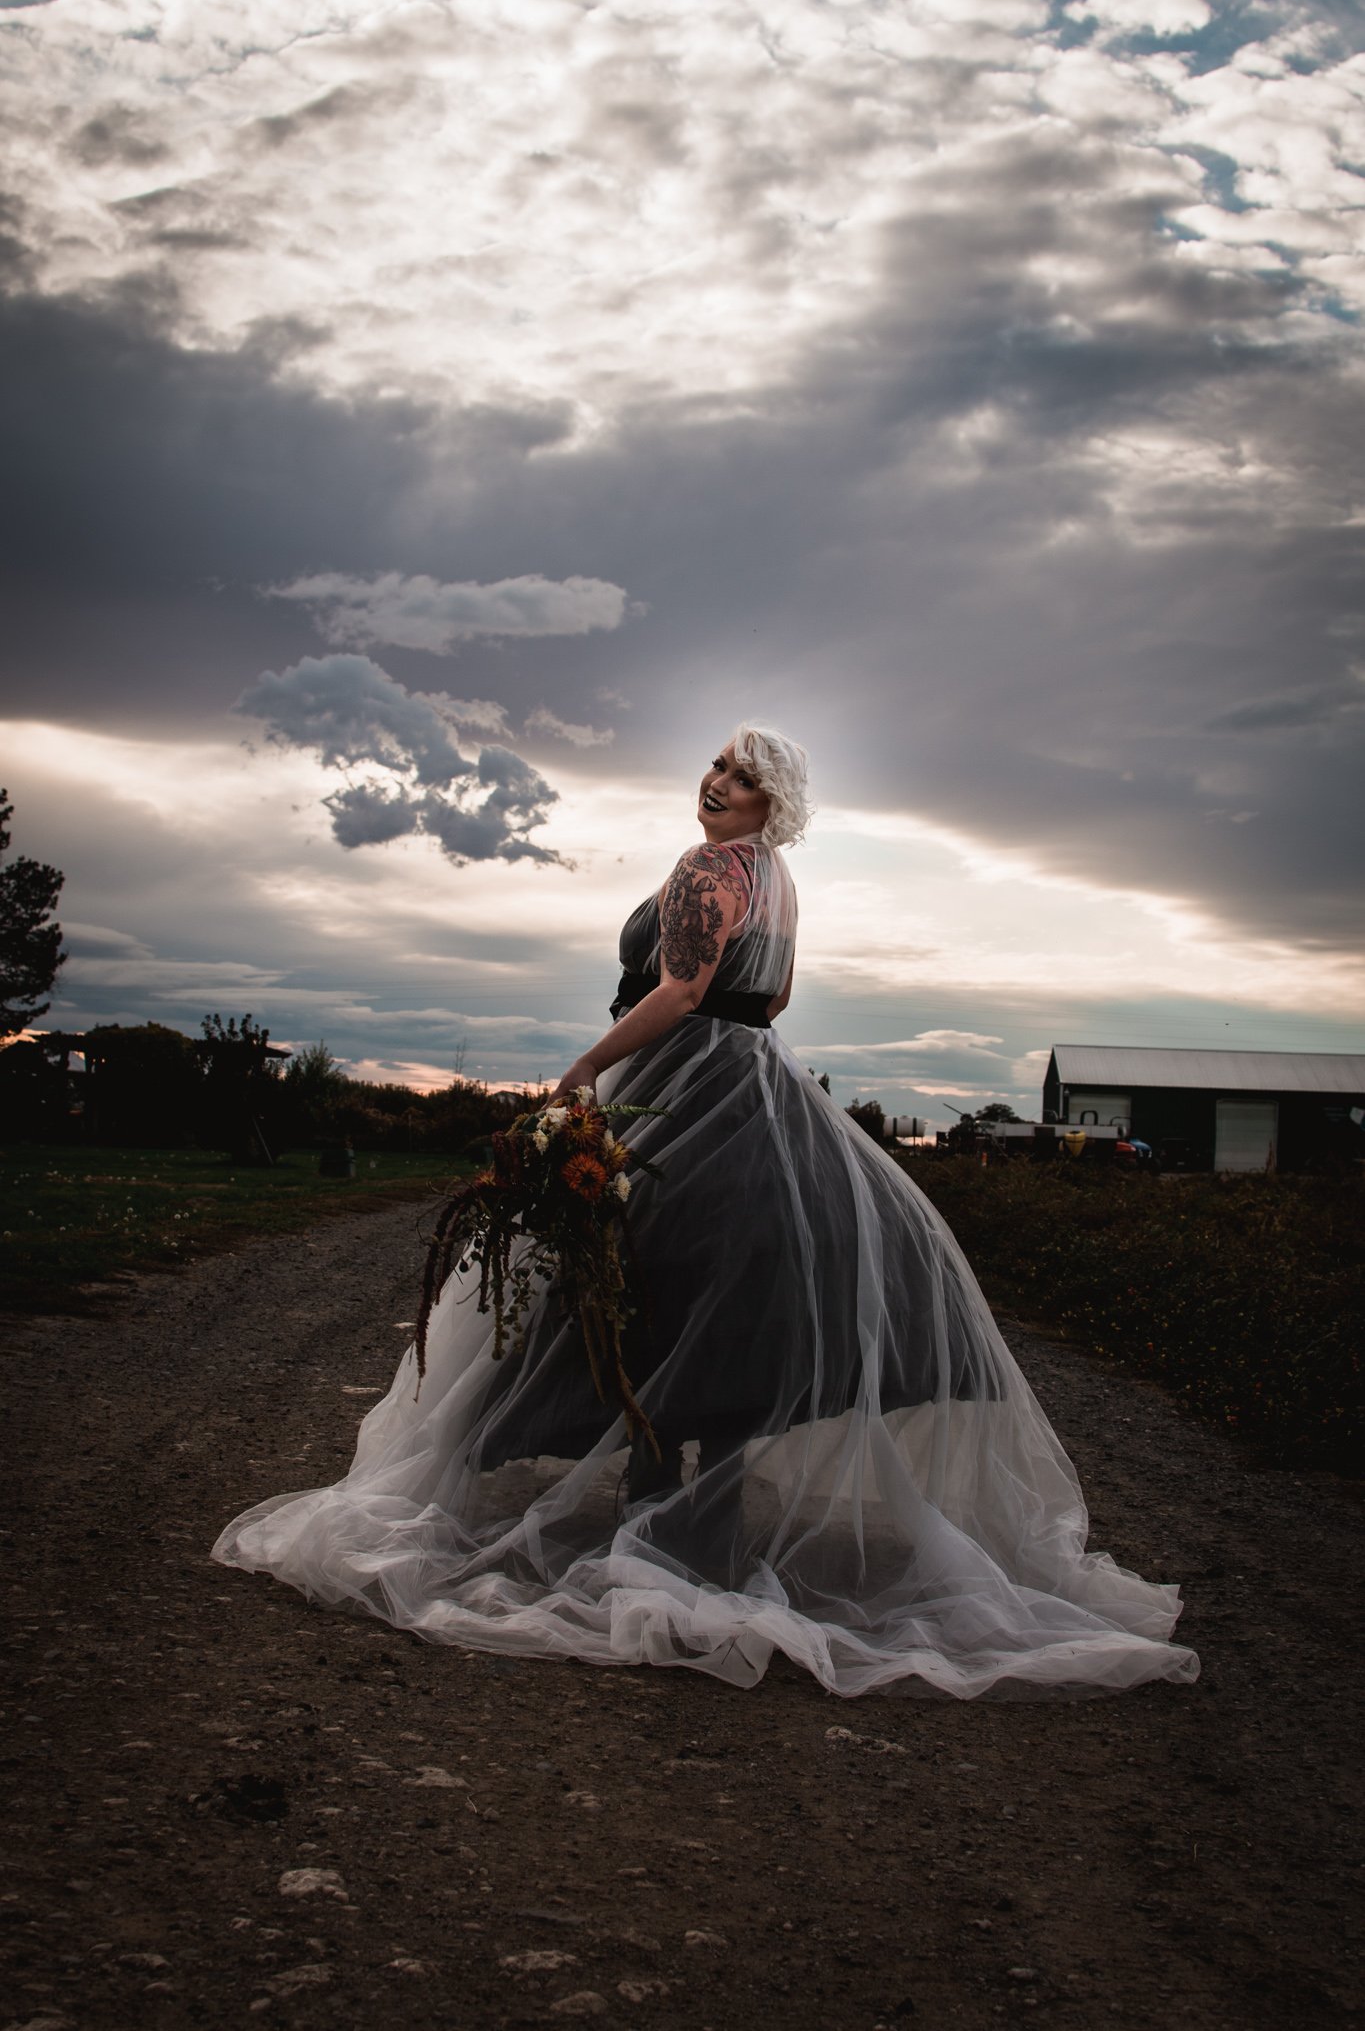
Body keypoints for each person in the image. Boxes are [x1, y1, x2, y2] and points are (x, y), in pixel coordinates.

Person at [213, 724, 1199, 1699]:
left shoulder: (709, 866)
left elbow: (682, 990)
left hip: (683, 1085)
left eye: (743, 774)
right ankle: (703, 1515)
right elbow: (770, 1007)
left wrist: (591, 1064)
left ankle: (652, 1501)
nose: (718, 779)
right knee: (732, 1290)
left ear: (773, 801)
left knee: (646, 1272)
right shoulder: (779, 879)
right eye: (718, 763)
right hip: (758, 1088)